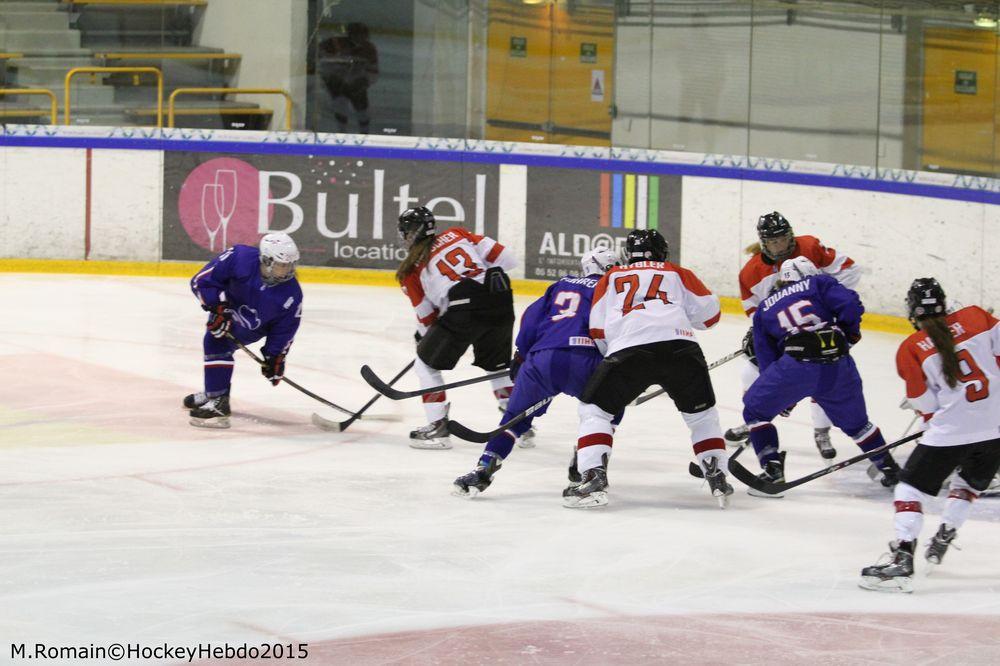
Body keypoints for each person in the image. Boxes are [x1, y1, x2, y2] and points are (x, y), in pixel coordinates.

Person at [575, 228, 734, 508]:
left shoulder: (612, 276)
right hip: (682, 349)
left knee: (595, 410)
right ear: (662, 251)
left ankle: (593, 478)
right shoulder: (677, 272)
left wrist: (615, 365)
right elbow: (710, 317)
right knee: (702, 416)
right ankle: (717, 476)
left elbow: (598, 329)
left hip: (629, 351)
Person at [859, 278, 1000, 593]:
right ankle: (945, 535)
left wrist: (935, 417)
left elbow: (924, 403)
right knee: (966, 486)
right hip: (996, 427)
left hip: (951, 431)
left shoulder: (911, 347)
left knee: (908, 489)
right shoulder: (976, 316)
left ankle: (902, 558)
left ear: (912, 311)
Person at [452, 248, 623, 503]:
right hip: (587, 361)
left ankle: (482, 470)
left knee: (514, 419)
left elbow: (531, 320)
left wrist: (521, 356)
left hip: (543, 359)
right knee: (608, 412)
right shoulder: (615, 291)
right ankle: (585, 461)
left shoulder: (561, 284)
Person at [742, 256, 899, 496]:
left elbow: (767, 359)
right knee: (858, 426)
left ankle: (772, 470)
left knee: (755, 412)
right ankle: (890, 468)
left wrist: (784, 398)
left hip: (796, 367)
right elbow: (851, 303)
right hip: (839, 364)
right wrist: (850, 334)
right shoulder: (819, 283)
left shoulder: (764, 308)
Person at [728, 211, 862, 460]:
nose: (780, 245)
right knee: (750, 371)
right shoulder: (750, 272)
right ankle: (756, 421)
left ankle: (821, 431)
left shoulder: (809, 246)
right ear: (764, 243)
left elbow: (850, 269)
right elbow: (755, 310)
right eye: (774, 241)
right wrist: (762, 334)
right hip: (785, 332)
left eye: (783, 239)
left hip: (820, 329)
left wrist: (829, 301)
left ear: (791, 235)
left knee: (824, 376)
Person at [396, 206, 517, 450]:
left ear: (409, 234)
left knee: (425, 364)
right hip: (500, 301)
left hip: (463, 308)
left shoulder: (410, 271)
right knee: (497, 367)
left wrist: (424, 340)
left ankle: (438, 429)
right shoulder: (458, 234)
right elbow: (508, 259)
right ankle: (518, 426)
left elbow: (427, 318)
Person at [185, 233, 302, 428]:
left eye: (290, 265)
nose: (288, 270)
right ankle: (215, 394)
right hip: (227, 310)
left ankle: (217, 398)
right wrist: (218, 307)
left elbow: (285, 329)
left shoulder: (291, 294)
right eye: (282, 265)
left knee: (217, 343)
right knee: (215, 341)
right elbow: (203, 280)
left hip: (254, 327)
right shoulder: (239, 258)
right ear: (266, 261)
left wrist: (275, 357)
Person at [319, 22, 379, 134]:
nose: (363, 38)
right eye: (359, 35)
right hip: (337, 83)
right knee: (340, 107)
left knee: (362, 110)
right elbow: (320, 55)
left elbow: (373, 70)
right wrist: (329, 78)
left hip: (357, 85)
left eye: (364, 35)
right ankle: (342, 131)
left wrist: (364, 82)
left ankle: (364, 133)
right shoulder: (333, 43)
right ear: (351, 34)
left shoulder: (369, 48)